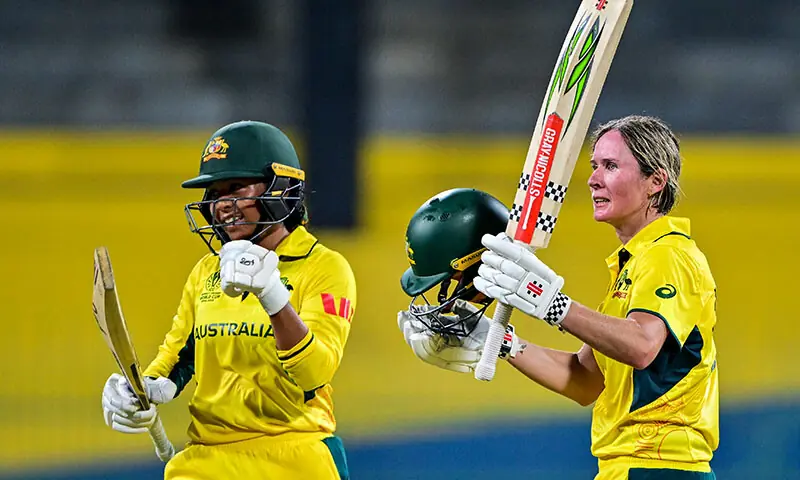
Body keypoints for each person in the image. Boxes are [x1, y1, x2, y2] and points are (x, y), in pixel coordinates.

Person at [399, 116, 718, 479]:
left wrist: (555, 306)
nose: (594, 179)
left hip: (660, 467)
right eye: (594, 166)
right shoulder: (634, 265)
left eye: (611, 166)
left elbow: (642, 346)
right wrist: (501, 342)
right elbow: (585, 381)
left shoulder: (669, 255)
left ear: (655, 181)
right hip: (626, 467)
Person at [101, 121, 356, 480]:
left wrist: (272, 296)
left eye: (236, 188)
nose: (223, 205)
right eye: (215, 193)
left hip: (295, 457)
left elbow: (314, 372)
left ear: (280, 189)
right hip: (207, 460)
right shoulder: (207, 270)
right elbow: (176, 356)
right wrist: (139, 390)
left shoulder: (324, 267)